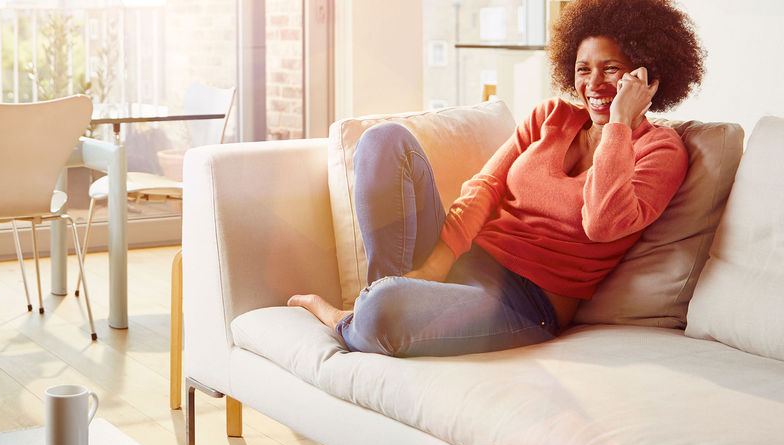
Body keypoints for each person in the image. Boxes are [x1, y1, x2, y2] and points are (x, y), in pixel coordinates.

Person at [289, 0, 706, 357]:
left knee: (386, 308)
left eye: (611, 69)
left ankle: (353, 315)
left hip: (524, 304)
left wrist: (618, 123)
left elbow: (601, 223)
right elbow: (485, 188)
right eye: (583, 69)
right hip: (467, 259)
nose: (593, 84)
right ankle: (385, 299)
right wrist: (436, 264)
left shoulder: (661, 150)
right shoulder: (551, 117)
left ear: (646, 77)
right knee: (383, 141)